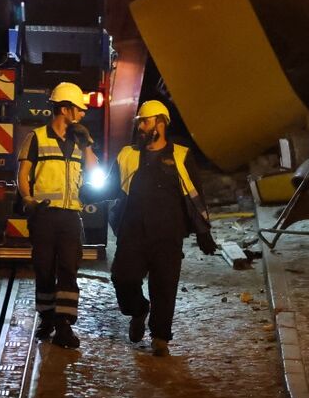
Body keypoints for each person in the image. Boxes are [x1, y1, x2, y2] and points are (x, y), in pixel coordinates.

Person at [105, 100, 217, 356]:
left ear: (161, 122)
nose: (141, 127)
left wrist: (204, 231)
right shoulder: (128, 155)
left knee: (164, 286)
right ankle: (138, 309)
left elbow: (194, 195)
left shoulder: (181, 155)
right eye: (139, 123)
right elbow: (112, 187)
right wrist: (84, 195)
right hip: (132, 232)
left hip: (167, 234)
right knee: (122, 278)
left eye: (145, 121)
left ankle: (160, 338)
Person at [16, 81, 99, 349]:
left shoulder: (79, 141)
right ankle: (47, 317)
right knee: (43, 267)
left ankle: (64, 325)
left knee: (68, 269)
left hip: (71, 215)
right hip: (44, 214)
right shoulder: (37, 137)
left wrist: (87, 145)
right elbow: (23, 173)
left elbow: (94, 170)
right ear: (65, 109)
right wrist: (28, 199)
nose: (82, 114)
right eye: (79, 109)